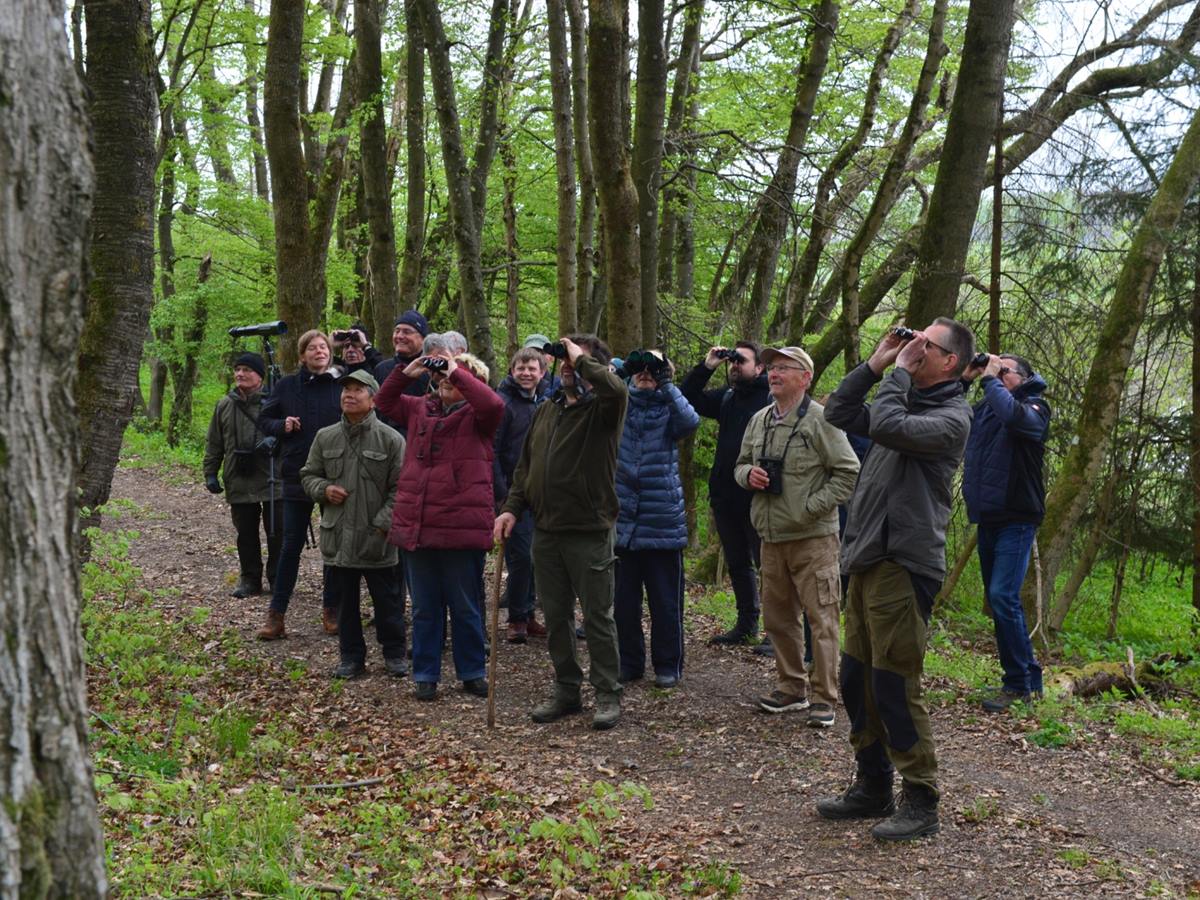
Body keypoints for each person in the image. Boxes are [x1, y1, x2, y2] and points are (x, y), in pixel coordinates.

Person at [819, 318, 975, 842]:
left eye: (926, 346)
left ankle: (921, 799)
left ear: (950, 361)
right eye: (914, 342)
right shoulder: (900, 398)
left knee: (894, 683)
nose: (915, 349)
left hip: (905, 563)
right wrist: (875, 363)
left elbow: (886, 425)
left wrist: (896, 377)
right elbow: (838, 412)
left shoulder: (953, 417)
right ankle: (872, 785)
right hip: (866, 556)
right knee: (856, 680)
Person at [494, 335, 628, 731]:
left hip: (589, 530)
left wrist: (581, 358)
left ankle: (607, 692)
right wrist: (511, 509)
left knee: (599, 617)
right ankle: (567, 688)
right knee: (554, 616)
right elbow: (525, 468)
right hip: (546, 530)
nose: (566, 367)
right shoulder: (547, 410)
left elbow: (615, 388)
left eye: (576, 363)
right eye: (564, 362)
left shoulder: (605, 410)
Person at [734, 347, 859, 726]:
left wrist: (809, 507)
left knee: (822, 619)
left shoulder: (823, 420)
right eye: (771, 368)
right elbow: (739, 465)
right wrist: (748, 476)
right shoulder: (759, 419)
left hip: (814, 539)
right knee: (777, 618)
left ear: (805, 377)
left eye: (783, 368)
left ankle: (825, 697)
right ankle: (791, 689)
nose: (773, 374)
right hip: (770, 537)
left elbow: (848, 472)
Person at [376, 349, 504, 702]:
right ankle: (426, 674)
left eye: (458, 377)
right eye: (443, 377)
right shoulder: (420, 408)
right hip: (419, 524)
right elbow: (384, 401)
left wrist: (457, 370)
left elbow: (494, 405)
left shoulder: (480, 418)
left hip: (461, 527)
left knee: (465, 606)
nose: (447, 381)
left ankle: (472, 671)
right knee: (424, 606)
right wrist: (408, 370)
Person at [300, 370, 408, 678]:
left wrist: (382, 523)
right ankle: (351, 658)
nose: (349, 394)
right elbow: (308, 475)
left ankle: (394, 654)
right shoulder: (325, 436)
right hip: (339, 536)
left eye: (358, 390)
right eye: (345, 389)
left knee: (388, 602)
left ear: (373, 399)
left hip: (378, 537)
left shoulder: (391, 439)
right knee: (344, 604)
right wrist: (324, 489)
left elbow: (402, 487)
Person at [961, 352, 1050, 712]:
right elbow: (952, 414)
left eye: (1005, 370)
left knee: (1003, 596)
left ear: (1024, 377)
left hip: (1017, 516)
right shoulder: (986, 407)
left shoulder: (1036, 407)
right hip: (988, 518)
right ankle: (1028, 680)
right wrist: (966, 379)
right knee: (998, 601)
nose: (996, 374)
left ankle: (1019, 685)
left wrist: (990, 379)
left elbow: (1017, 421)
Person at [613, 350, 699, 688]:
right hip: (623, 520)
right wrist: (624, 373)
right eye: (642, 371)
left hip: (662, 518)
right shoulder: (620, 404)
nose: (646, 375)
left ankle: (668, 664)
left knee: (665, 601)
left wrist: (665, 382)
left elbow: (690, 422)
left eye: (654, 372)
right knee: (623, 603)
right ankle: (629, 662)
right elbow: (600, 397)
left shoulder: (669, 406)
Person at [680, 342, 771, 647]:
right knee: (737, 564)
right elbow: (689, 399)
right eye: (732, 361)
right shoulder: (729, 397)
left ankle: (776, 633)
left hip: (759, 498)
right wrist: (707, 366)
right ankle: (747, 626)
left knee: (768, 567)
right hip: (725, 498)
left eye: (740, 361)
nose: (734, 365)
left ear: (759, 367)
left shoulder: (770, 398)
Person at [256, 330, 344, 640]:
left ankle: (332, 610)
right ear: (302, 355)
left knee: (333, 548)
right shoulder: (286, 386)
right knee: (290, 546)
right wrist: (283, 425)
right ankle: (276, 616)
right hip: (296, 472)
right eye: (313, 348)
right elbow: (263, 420)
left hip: (335, 474)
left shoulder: (342, 383)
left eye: (324, 347)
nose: (320, 352)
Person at [203, 352, 283, 599]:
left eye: (247, 370)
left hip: (273, 475)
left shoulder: (276, 401)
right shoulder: (225, 404)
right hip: (238, 476)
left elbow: (292, 431)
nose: (240, 374)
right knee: (245, 533)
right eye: (237, 369)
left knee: (277, 531)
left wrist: (277, 438)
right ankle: (250, 579)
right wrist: (210, 473)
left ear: (260, 375)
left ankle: (279, 577)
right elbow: (214, 441)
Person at [493, 346, 551, 643]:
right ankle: (516, 617)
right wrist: (503, 496)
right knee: (521, 557)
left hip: (541, 493)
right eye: (521, 368)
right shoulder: (503, 404)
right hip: (513, 495)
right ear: (512, 371)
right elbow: (493, 451)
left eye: (532, 369)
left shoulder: (546, 403)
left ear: (542, 373)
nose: (526, 373)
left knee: (534, 557)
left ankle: (527, 613)